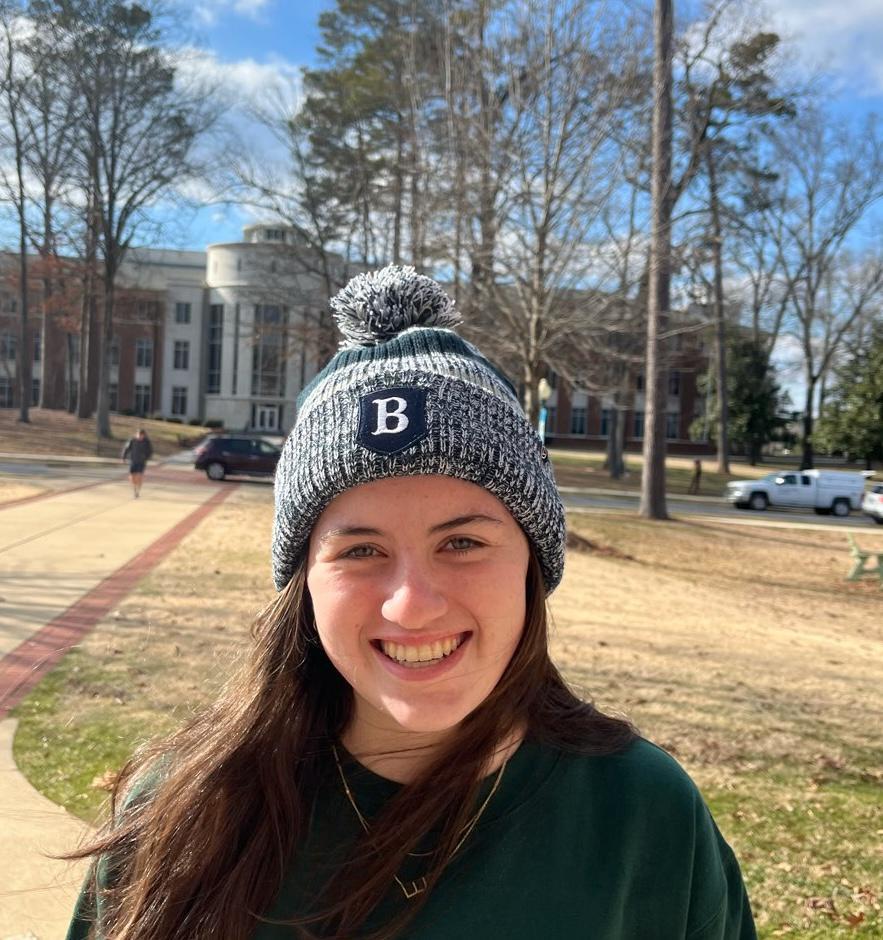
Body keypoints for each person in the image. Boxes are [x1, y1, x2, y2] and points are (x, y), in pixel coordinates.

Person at [67, 267, 755, 939]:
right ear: (303, 581)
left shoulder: (642, 814)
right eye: (360, 550)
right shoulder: (183, 810)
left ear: (532, 564)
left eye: (461, 543)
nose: (410, 605)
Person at [121, 428, 153, 498]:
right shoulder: (132, 440)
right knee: (132, 477)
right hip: (133, 461)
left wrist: (146, 458)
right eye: (138, 435)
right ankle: (134, 490)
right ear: (136, 434)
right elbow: (126, 449)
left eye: (141, 435)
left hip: (142, 462)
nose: (139, 436)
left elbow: (150, 451)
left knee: (139, 476)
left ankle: (138, 491)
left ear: (144, 435)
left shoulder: (147, 442)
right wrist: (123, 458)